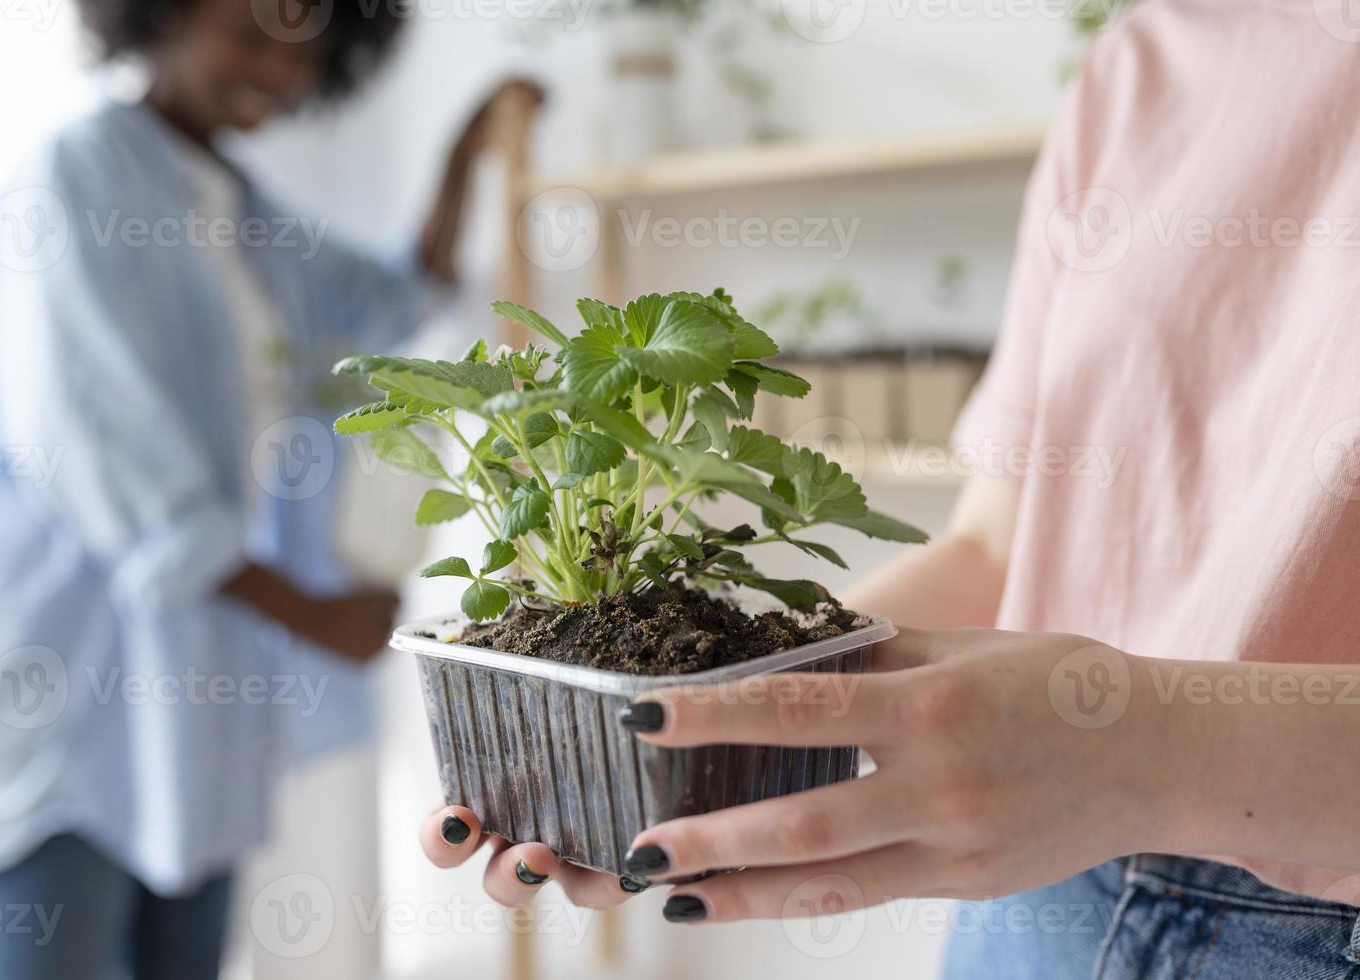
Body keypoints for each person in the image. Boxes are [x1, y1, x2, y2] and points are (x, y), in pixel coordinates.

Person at [418, 4, 1360, 976]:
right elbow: (1000, 545)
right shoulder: (1147, 56)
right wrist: (702, 727)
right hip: (1044, 899)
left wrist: (1141, 745)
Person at [0, 1, 541, 976]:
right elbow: (109, 454)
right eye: (251, 37)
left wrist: (468, 148)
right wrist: (317, 614)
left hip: (193, 691)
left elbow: (384, 300)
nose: (281, 72)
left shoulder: (236, 204)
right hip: (67, 687)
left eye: (309, 53)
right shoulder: (74, 178)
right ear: (155, 18)